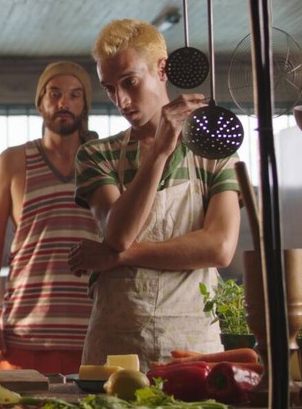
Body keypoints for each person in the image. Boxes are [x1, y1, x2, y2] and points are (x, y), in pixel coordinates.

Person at [69, 19, 240, 372]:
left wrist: (118, 258)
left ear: (162, 69)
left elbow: (219, 248)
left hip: (194, 347)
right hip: (115, 348)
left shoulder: (213, 149)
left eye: (129, 82)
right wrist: (159, 152)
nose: (121, 100)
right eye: (110, 88)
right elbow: (118, 233)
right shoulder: (96, 154)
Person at [0, 61, 101, 375]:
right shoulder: (13, 161)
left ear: (85, 105)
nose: (63, 103)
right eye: (54, 93)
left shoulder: (103, 161)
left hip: (95, 327)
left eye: (74, 95)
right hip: (25, 330)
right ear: (40, 102)